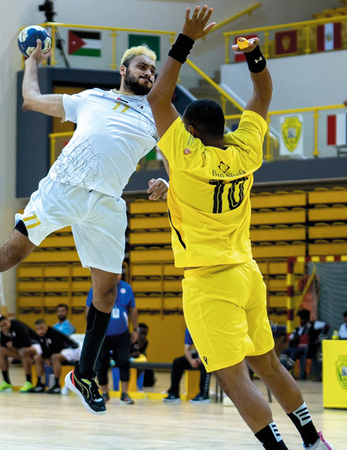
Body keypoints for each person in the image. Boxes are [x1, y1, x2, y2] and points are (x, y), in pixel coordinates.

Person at [0, 35, 169, 415]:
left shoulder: (158, 113)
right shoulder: (92, 98)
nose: (149, 73)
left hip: (107, 203)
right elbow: (31, 99)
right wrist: (31, 62)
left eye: (153, 70)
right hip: (64, 187)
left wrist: (167, 181)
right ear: (123, 70)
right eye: (142, 67)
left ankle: (84, 375)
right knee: (5, 258)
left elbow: (176, 157)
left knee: (106, 292)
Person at [146, 7, 331, 449]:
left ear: (191, 130)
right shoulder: (246, 150)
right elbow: (263, 92)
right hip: (247, 273)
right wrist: (253, 54)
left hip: (209, 280)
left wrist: (185, 39)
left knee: (233, 379)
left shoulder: (188, 157)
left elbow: (157, 98)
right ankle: (313, 441)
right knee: (268, 365)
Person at [86, 274, 139, 405]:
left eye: (119, 273)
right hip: (102, 335)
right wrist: (91, 329)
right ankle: (105, 393)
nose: (116, 275)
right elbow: (89, 309)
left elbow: (133, 310)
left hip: (122, 334)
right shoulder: (97, 287)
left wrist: (136, 329)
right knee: (101, 364)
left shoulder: (127, 288)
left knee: (124, 362)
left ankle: (125, 393)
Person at [0, 316, 44, 392]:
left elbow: (26, 342)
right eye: (1, 327)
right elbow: (3, 343)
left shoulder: (18, 326)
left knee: (24, 351)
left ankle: (29, 382)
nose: (4, 328)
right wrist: (9, 341)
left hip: (35, 345)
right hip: (21, 350)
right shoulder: (3, 331)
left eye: (5, 325)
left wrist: (13, 344)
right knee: (1, 351)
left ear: (9, 321)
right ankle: (6, 382)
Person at [33, 319, 81, 394]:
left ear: (46, 326)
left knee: (54, 357)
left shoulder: (53, 333)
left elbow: (58, 348)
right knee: (37, 358)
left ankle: (57, 385)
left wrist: (48, 358)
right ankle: (40, 384)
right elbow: (44, 349)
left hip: (72, 349)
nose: (40, 331)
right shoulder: (40, 336)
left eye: (42, 328)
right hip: (61, 351)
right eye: (38, 329)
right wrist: (46, 358)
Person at [163, 328, 210, 403]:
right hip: (199, 355)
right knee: (177, 362)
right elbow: (187, 349)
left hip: (211, 355)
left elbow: (210, 347)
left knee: (205, 364)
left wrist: (202, 359)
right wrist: (191, 361)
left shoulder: (206, 328)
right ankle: (174, 393)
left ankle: (203, 395)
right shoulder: (190, 329)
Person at [130, 322, 155, 390]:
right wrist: (131, 354)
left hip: (138, 360)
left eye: (145, 334)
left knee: (147, 369)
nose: (143, 336)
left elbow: (142, 354)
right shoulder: (129, 339)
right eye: (141, 334)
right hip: (128, 359)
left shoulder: (145, 342)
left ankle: (136, 381)